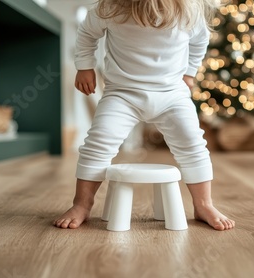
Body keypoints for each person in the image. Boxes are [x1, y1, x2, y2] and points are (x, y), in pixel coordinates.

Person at [55, 0, 235, 231]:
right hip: (122, 94)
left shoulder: (189, 11)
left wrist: (190, 73)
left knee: (192, 143)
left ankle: (203, 204)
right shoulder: (111, 8)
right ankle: (82, 204)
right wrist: (85, 66)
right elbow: (87, 33)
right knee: (98, 143)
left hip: (172, 95)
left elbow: (200, 41)